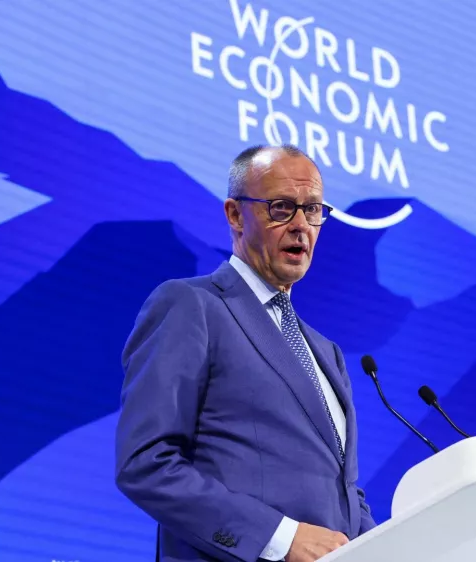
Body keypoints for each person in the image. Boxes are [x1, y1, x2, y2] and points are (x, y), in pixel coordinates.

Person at [115, 145, 376, 562]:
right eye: (281, 208)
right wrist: (281, 537)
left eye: (312, 210)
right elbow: (146, 462)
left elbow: (343, 491)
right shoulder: (191, 305)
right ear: (235, 215)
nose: (301, 226)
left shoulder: (327, 353)